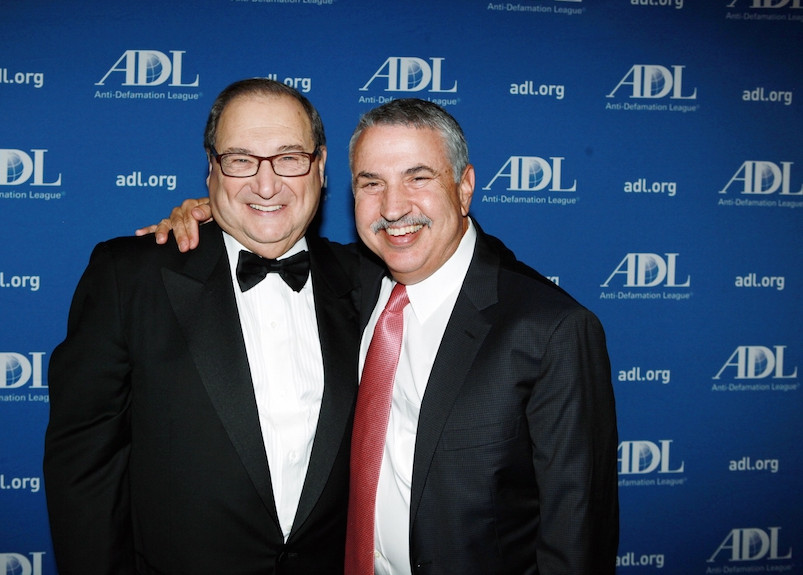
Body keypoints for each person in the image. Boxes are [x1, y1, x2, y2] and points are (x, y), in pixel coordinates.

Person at [152, 98, 619, 574]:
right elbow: (263, 220)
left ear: (464, 187)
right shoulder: (353, 282)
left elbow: (577, 541)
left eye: (418, 178)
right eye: (371, 183)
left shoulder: (549, 330)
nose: (394, 208)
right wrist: (215, 210)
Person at [43, 79, 360, 575]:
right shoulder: (130, 278)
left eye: (289, 157)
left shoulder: (370, 281)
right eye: (240, 159)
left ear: (320, 168)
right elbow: (82, 473)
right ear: (211, 170)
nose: (266, 183)